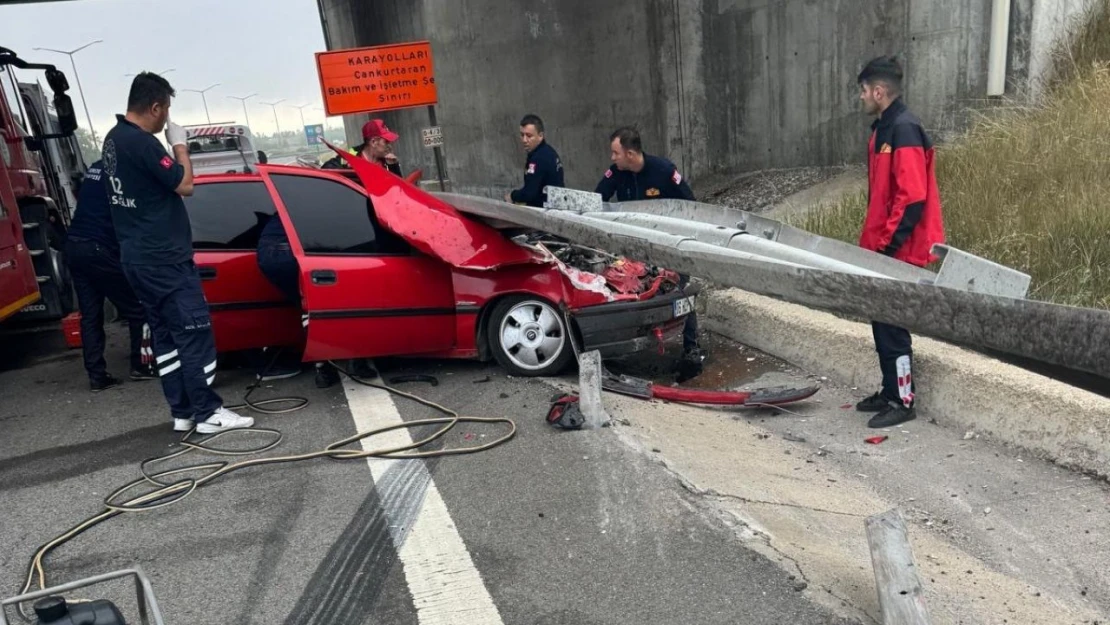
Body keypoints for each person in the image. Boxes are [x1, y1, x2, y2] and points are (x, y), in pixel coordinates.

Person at [102, 72, 253, 434]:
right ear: (155, 106)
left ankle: (183, 411)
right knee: (194, 331)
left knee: (166, 337)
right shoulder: (141, 143)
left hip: (137, 257)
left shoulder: (113, 140)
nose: (167, 118)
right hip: (165, 259)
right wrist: (180, 146)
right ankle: (208, 412)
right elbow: (185, 185)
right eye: (166, 110)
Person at [854, 55, 945, 428]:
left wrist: (887, 251)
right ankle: (890, 390)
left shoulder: (904, 129)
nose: (860, 97)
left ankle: (903, 399)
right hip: (883, 247)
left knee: (893, 327)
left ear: (879, 91)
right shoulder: (884, 129)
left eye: (862, 91)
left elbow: (912, 198)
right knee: (882, 323)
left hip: (899, 251)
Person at [594, 127, 703, 365]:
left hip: (667, 246)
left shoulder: (663, 171)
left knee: (679, 293)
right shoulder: (616, 173)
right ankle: (638, 345)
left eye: (615, 153)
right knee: (633, 292)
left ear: (630, 154)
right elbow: (597, 198)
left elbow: (691, 205)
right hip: (633, 249)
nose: (612, 158)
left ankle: (691, 346)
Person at [64, 160, 157, 391]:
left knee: (90, 316)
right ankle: (141, 366)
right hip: (98, 249)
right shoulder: (127, 170)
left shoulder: (98, 166)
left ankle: (97, 376)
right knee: (138, 307)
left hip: (74, 245)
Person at [254, 214, 342, 388]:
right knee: (313, 308)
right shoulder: (324, 197)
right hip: (287, 250)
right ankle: (324, 366)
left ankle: (321, 361)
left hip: (267, 252)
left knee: (306, 306)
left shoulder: (295, 197)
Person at [506, 114, 564, 207]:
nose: (524, 140)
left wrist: (512, 196)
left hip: (545, 212)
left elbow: (529, 193)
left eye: (529, 136)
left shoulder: (539, 158)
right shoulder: (548, 152)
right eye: (522, 135)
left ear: (540, 136)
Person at [322, 119, 402, 175]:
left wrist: (393, 167)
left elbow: (399, 190)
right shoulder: (350, 157)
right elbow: (325, 170)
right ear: (373, 142)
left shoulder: (389, 163)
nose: (390, 146)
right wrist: (348, 170)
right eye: (386, 142)